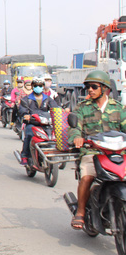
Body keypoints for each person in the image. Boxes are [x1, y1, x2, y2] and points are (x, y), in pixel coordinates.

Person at [68, 70, 126, 230]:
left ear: (105, 88)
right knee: (87, 176)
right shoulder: (82, 107)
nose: (90, 90)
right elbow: (75, 127)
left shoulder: (119, 108)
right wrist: (77, 138)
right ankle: (80, 212)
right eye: (88, 87)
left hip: (117, 153)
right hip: (92, 152)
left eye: (94, 86)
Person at [18, 76, 60, 165]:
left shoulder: (48, 99)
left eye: (40, 85)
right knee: (29, 135)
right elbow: (22, 110)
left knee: (54, 135)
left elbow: (55, 107)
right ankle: (25, 156)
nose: (38, 87)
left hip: (45, 123)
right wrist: (26, 115)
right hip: (32, 123)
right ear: (33, 86)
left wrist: (60, 112)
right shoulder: (26, 99)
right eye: (36, 85)